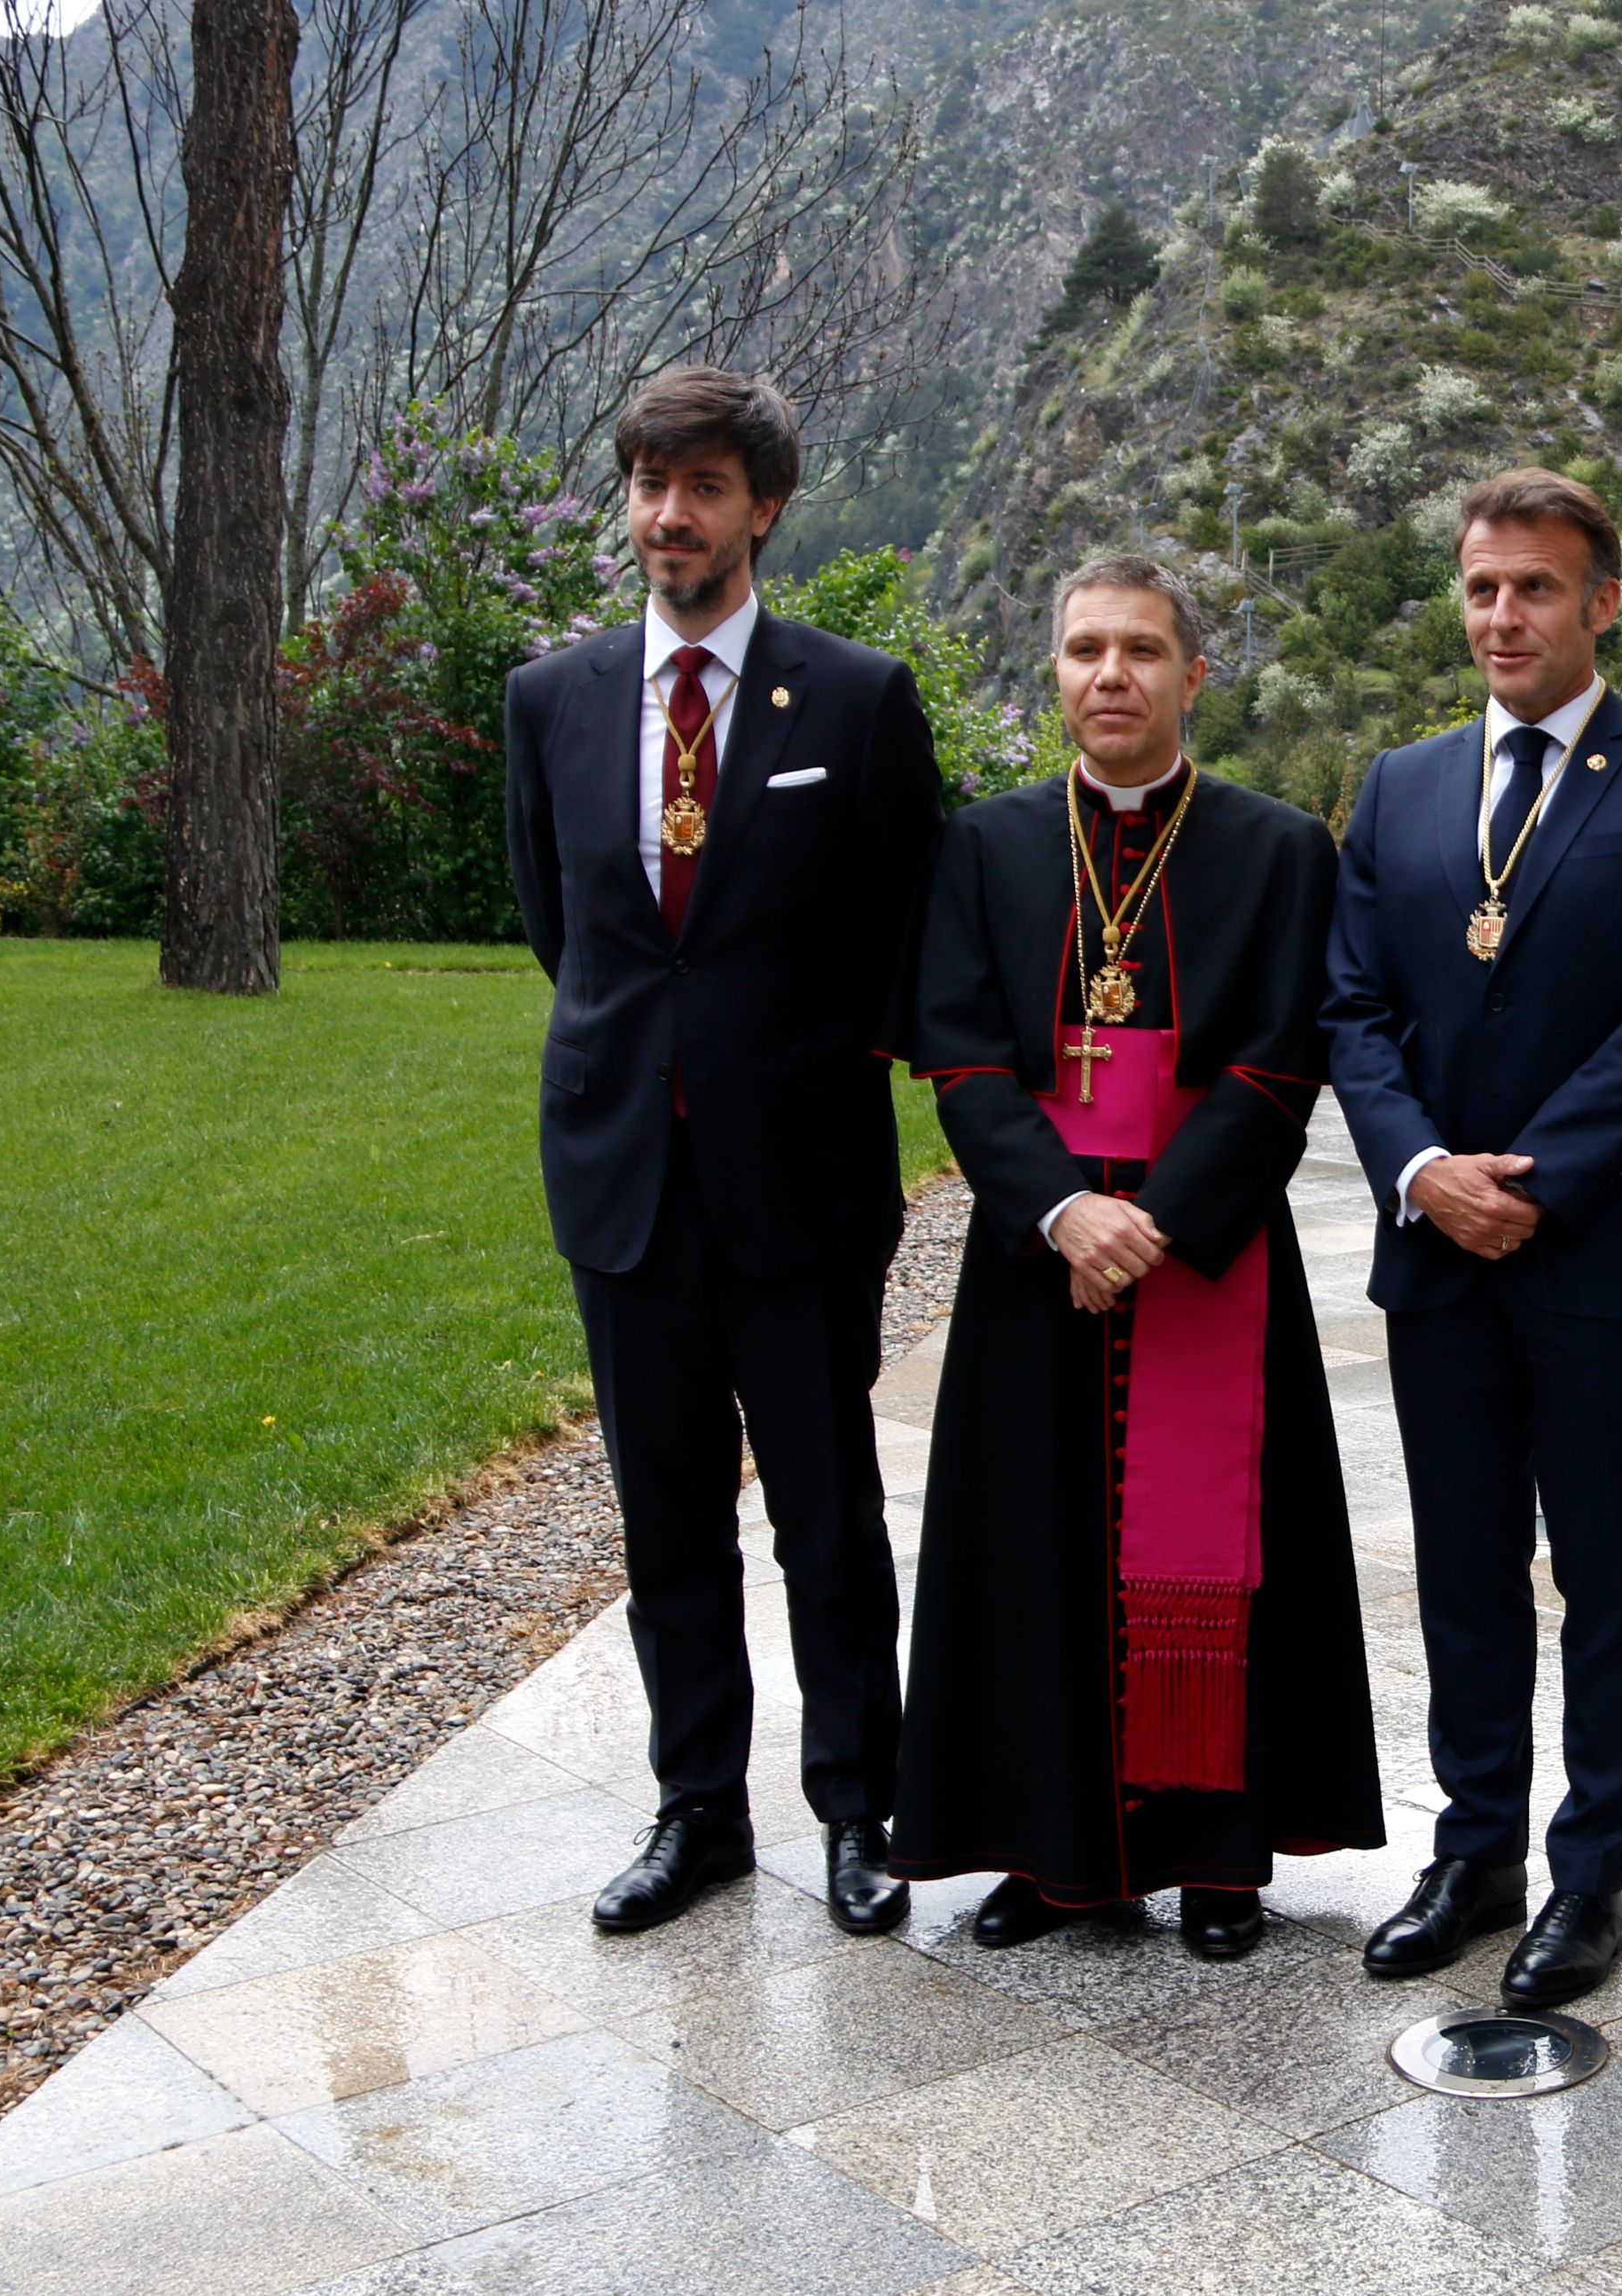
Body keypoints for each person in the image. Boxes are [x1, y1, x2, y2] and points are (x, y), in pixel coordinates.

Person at [501, 365, 944, 1939]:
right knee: (666, 1514)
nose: (668, 516)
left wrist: (794, 1059)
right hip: (625, 1174)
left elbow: (909, 924)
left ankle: (860, 1806)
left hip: (798, 1178)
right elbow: (562, 925)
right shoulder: (552, 700)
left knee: (826, 1512)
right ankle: (697, 1808)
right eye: (647, 484)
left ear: (762, 507)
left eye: (700, 487)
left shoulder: (857, 699)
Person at [889, 556, 1383, 1958]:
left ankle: (1217, 1856)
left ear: (1191, 675)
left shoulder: (1276, 849)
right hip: (1035, 1254)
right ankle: (1052, 1855)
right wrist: (1062, 1209)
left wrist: (1153, 1218)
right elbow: (961, 1057)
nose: (1110, 675)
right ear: (1055, 669)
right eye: (1084, 649)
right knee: (1025, 1546)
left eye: (1142, 651)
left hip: (1205, 1252)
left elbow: (1281, 1061)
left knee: (1228, 1549)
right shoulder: (984, 846)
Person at [1323, 467, 1622, 2008]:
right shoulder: (1400, 785)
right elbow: (1350, 1006)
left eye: (1534, 586)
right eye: (1481, 587)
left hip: (1603, 1253)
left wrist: (1534, 1177)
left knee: (1605, 1574)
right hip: (1436, 1250)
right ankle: (1474, 1853)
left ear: (1601, 601)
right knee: (1461, 1565)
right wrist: (1422, 1168)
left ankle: (1588, 1881)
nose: (1502, 614)